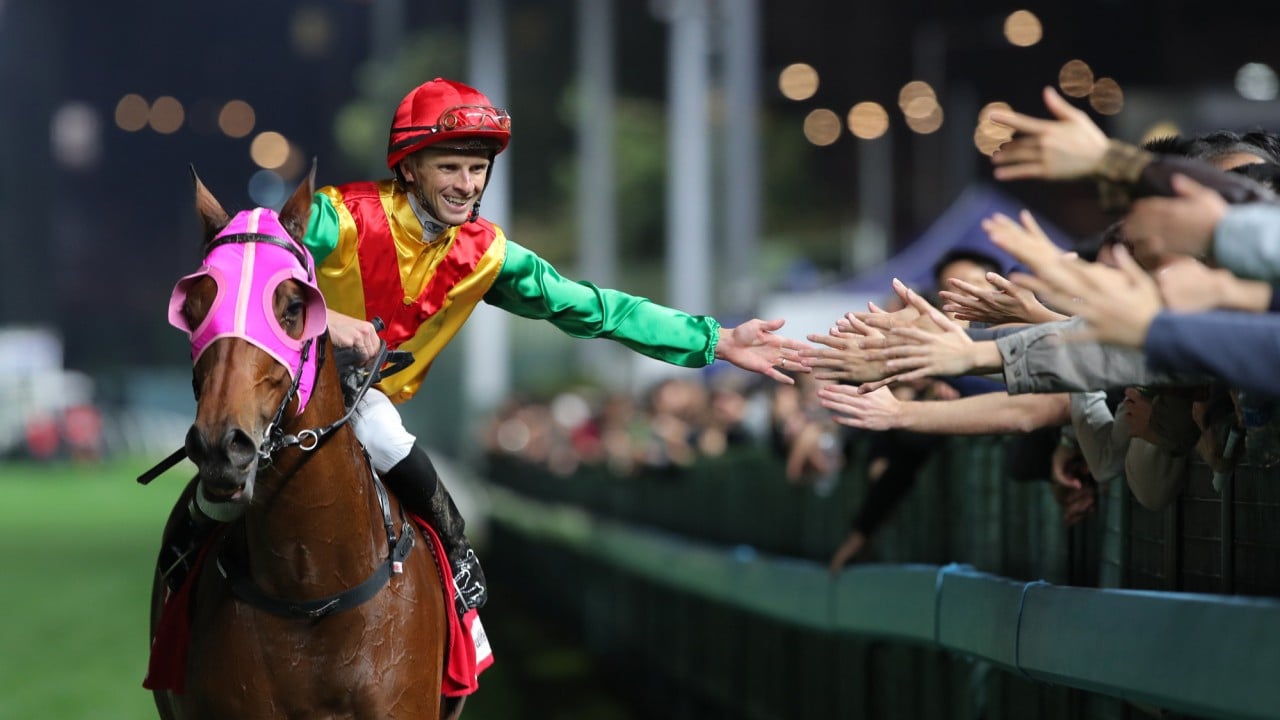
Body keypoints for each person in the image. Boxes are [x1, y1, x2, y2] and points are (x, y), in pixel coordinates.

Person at [161, 77, 811, 620]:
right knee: (237, 480)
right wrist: (326, 324)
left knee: (386, 435)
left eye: (477, 169)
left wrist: (715, 340)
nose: (466, 184)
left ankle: (457, 576)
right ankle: (181, 571)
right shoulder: (340, 215)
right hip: (286, 389)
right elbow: (251, 252)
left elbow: (594, 308)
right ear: (410, 167)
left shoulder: (489, 254)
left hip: (368, 400)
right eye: (451, 167)